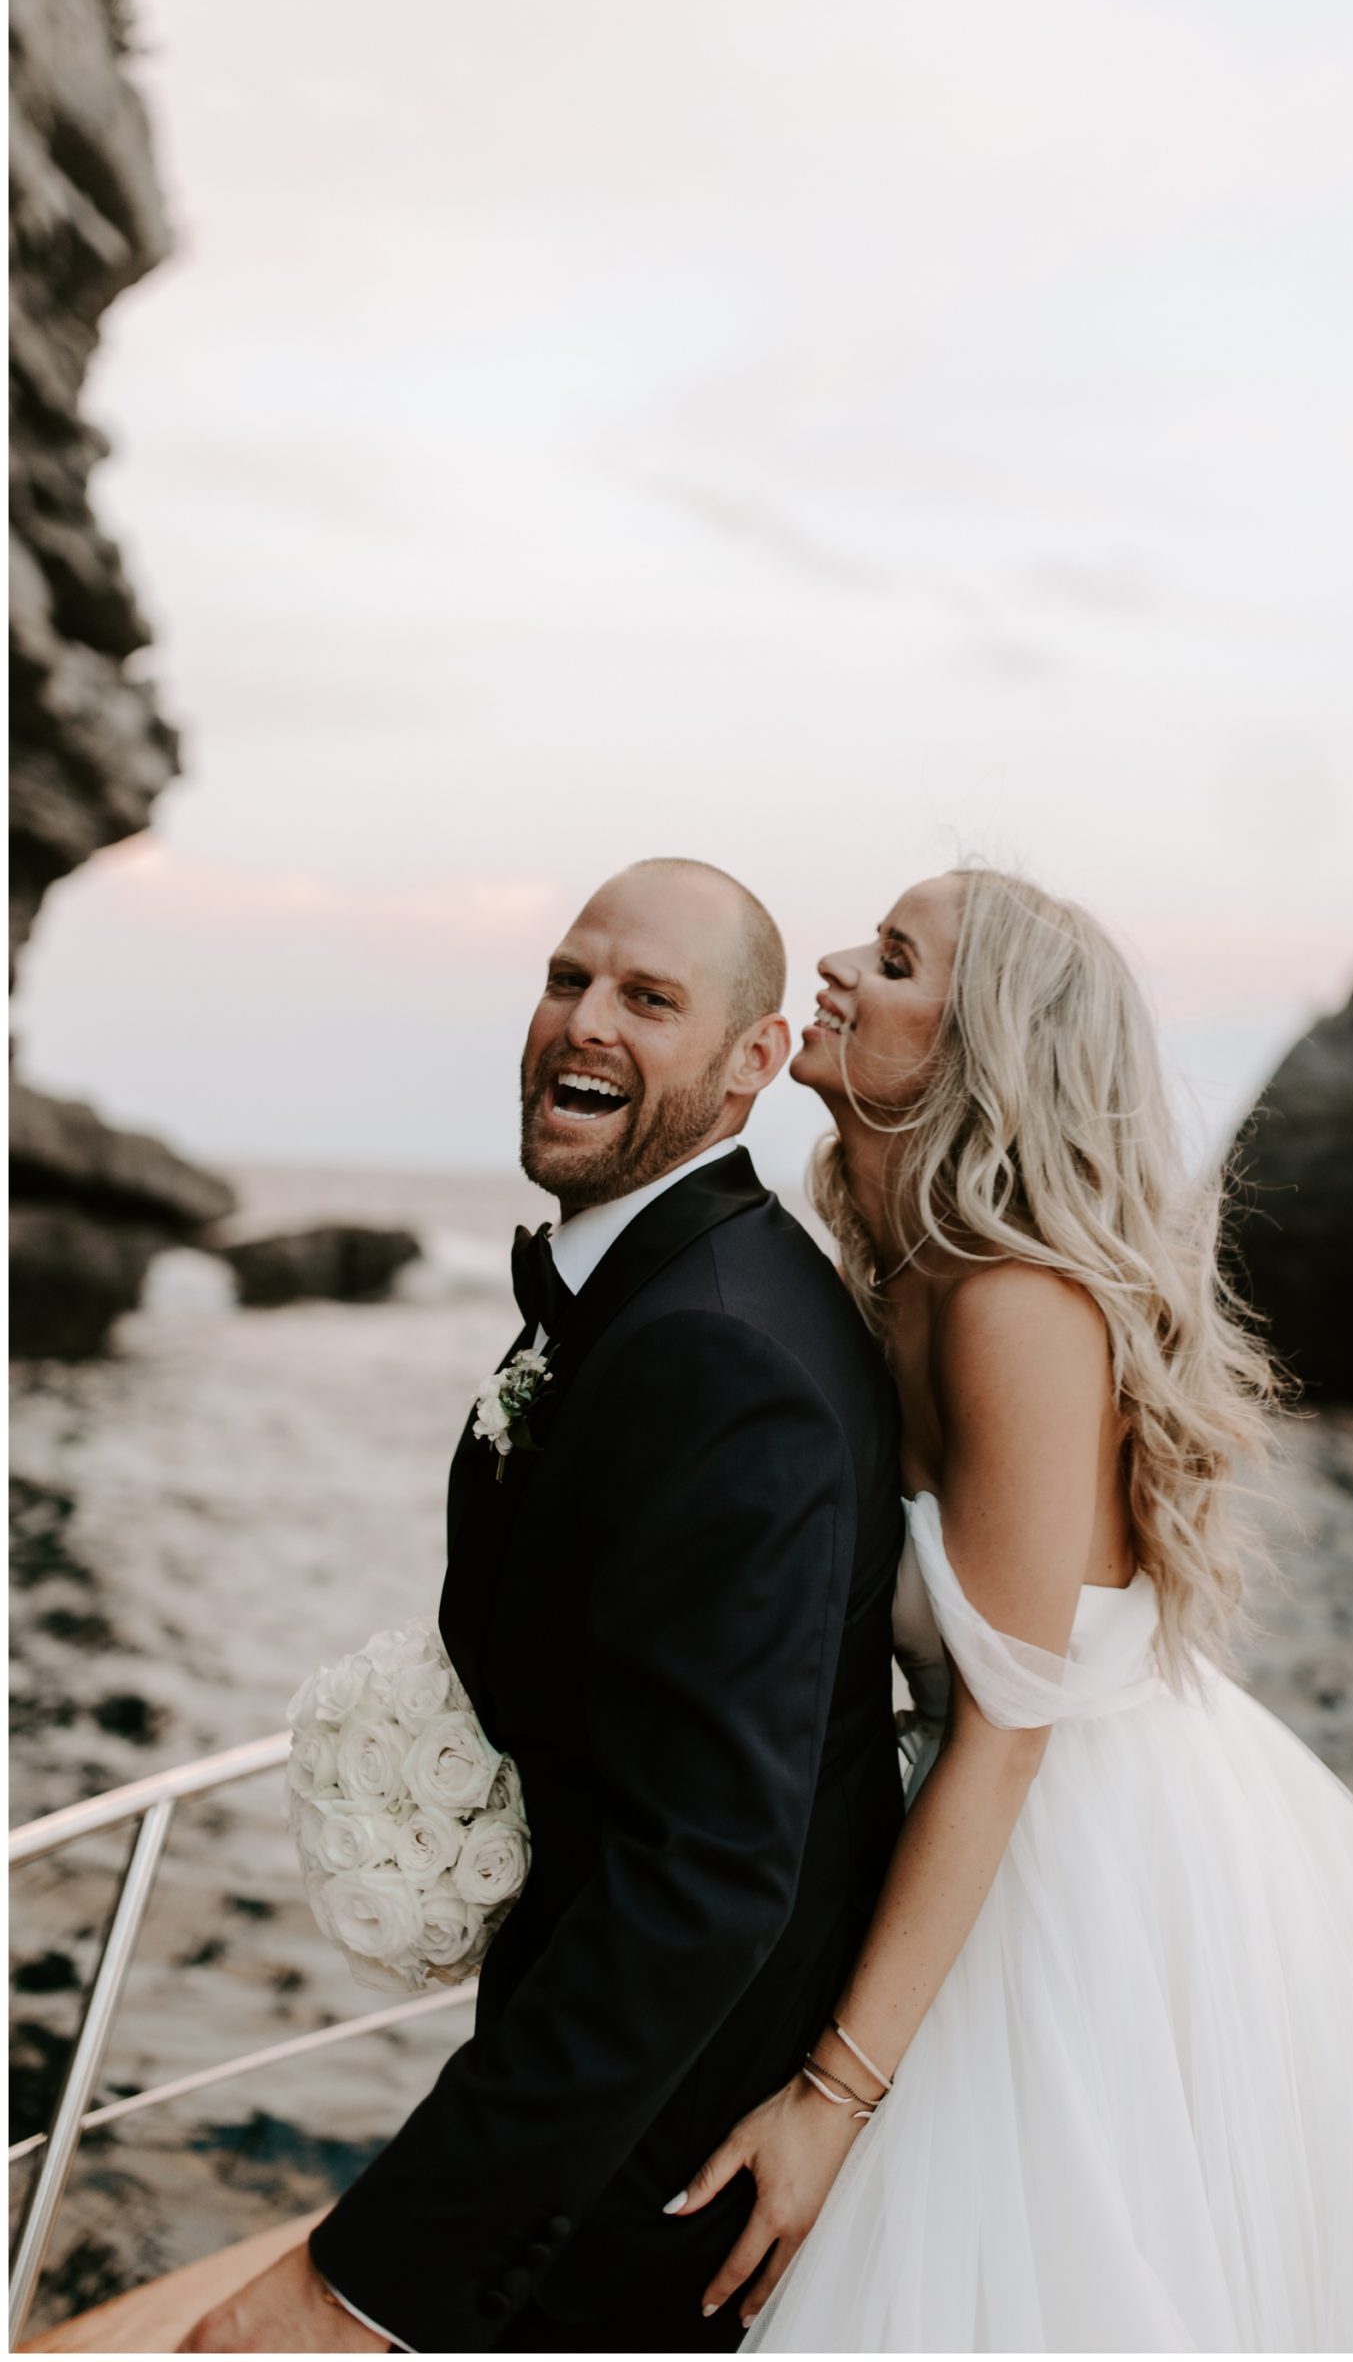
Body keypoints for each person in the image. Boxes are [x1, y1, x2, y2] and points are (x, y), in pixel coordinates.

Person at [667, 866, 1353, 2354]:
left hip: (1089, 1850)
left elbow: (1007, 1730)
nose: (837, 967)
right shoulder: (898, 1270)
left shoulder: (1014, 1302)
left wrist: (832, 2096)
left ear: (984, 1046)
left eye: (894, 959)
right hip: (993, 1801)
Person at [180, 858, 904, 2355]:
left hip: (651, 2172)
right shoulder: (674, 1287)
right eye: (569, 978)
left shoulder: (723, 1355)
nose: (586, 1021)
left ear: (753, 1062)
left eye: (650, 998)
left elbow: (704, 1883)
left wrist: (358, 2283)